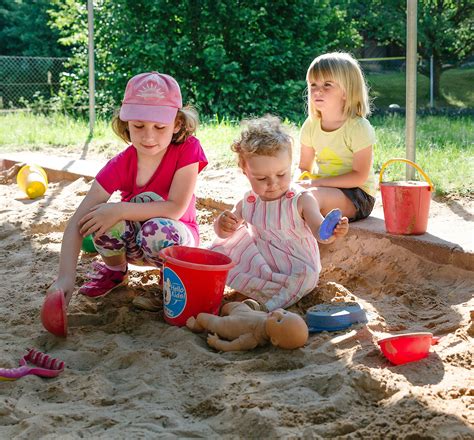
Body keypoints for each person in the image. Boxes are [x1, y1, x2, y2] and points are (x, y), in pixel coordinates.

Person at [47, 71, 207, 303]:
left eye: (160, 127)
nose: (148, 136)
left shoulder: (187, 149)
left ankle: (170, 275)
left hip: (176, 239)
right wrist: (65, 278)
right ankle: (115, 272)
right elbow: (78, 222)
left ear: (177, 123)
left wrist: (120, 209)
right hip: (134, 246)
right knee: (100, 217)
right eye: (139, 125)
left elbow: (175, 209)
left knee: (153, 229)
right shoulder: (121, 164)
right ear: (126, 123)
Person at [209, 116, 348, 312]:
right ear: (245, 172)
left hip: (296, 268)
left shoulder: (300, 200)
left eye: (281, 174)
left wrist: (332, 231)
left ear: (290, 165)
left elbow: (320, 233)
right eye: (261, 178)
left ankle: (266, 307)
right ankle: (252, 290)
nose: (273, 183)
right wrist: (222, 225)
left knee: (307, 278)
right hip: (263, 264)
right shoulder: (249, 201)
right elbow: (223, 234)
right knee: (219, 248)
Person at [298, 52, 376, 221]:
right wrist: (298, 182)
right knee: (288, 196)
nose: (318, 91)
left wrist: (317, 183)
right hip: (321, 188)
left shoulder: (358, 128)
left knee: (309, 198)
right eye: (313, 84)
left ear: (346, 92)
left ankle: (323, 233)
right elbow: (304, 167)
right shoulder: (311, 125)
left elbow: (359, 176)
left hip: (357, 194)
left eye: (327, 85)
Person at [186, 301, 308, 351]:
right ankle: (221, 312)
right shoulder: (268, 319)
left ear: (274, 340)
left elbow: (232, 346)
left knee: (202, 317)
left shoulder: (253, 339)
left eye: (279, 320)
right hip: (244, 312)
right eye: (285, 312)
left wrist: (216, 343)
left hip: (229, 324)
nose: (278, 312)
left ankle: (195, 327)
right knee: (227, 306)